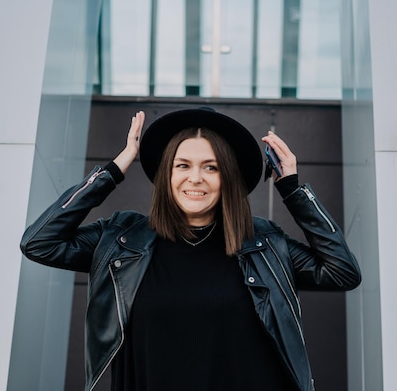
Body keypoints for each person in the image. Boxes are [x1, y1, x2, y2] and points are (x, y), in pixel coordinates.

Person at [20, 107, 361, 391]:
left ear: (227, 177)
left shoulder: (264, 244)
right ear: (166, 175)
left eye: (210, 167)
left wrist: (293, 190)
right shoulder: (121, 240)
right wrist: (113, 170)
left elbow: (341, 271)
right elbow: (40, 242)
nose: (195, 178)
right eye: (182, 165)